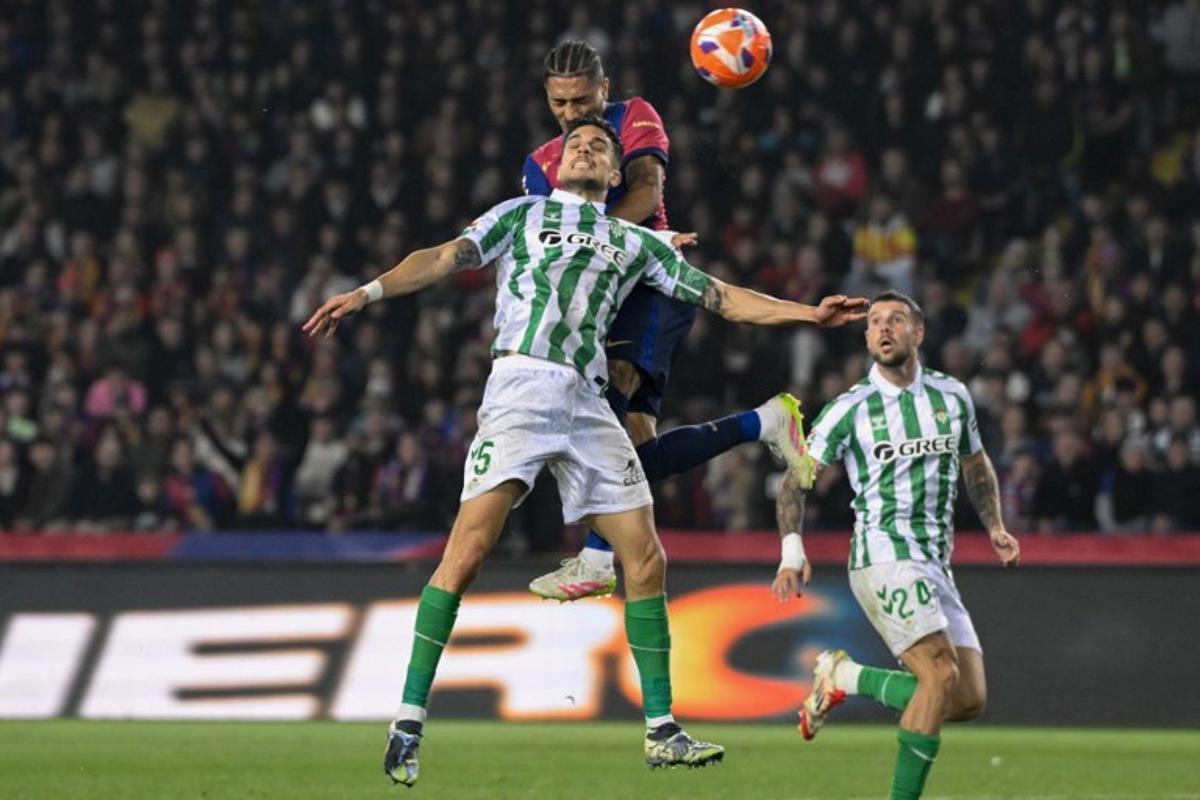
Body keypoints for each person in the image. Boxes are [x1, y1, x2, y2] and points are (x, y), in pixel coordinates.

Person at [304, 116, 867, 786]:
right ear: (560, 163)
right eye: (577, 143)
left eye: (601, 146)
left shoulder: (635, 242)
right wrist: (364, 294)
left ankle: (662, 731)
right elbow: (439, 258)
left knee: (646, 556)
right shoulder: (520, 214)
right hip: (520, 386)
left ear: (614, 176)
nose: (587, 148)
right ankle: (406, 722)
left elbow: (719, 297)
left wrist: (809, 313)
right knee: (468, 551)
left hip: (586, 401)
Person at [524, 41, 810, 600]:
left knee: (607, 412)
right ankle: (765, 423)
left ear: (603, 90)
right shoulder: (539, 163)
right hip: (597, 299)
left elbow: (647, 190)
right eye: (559, 104)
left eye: (581, 99)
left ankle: (595, 559)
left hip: (650, 282)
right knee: (637, 453)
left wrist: (624, 239)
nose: (571, 113)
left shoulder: (633, 116)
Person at [771, 291, 1020, 800]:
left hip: (934, 562)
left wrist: (994, 524)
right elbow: (796, 480)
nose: (884, 329)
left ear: (918, 333)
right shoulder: (850, 409)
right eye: (876, 322)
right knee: (940, 674)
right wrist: (792, 551)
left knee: (967, 698)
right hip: (882, 555)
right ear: (866, 338)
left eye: (896, 320)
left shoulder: (953, 397)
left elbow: (975, 462)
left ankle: (846, 676)